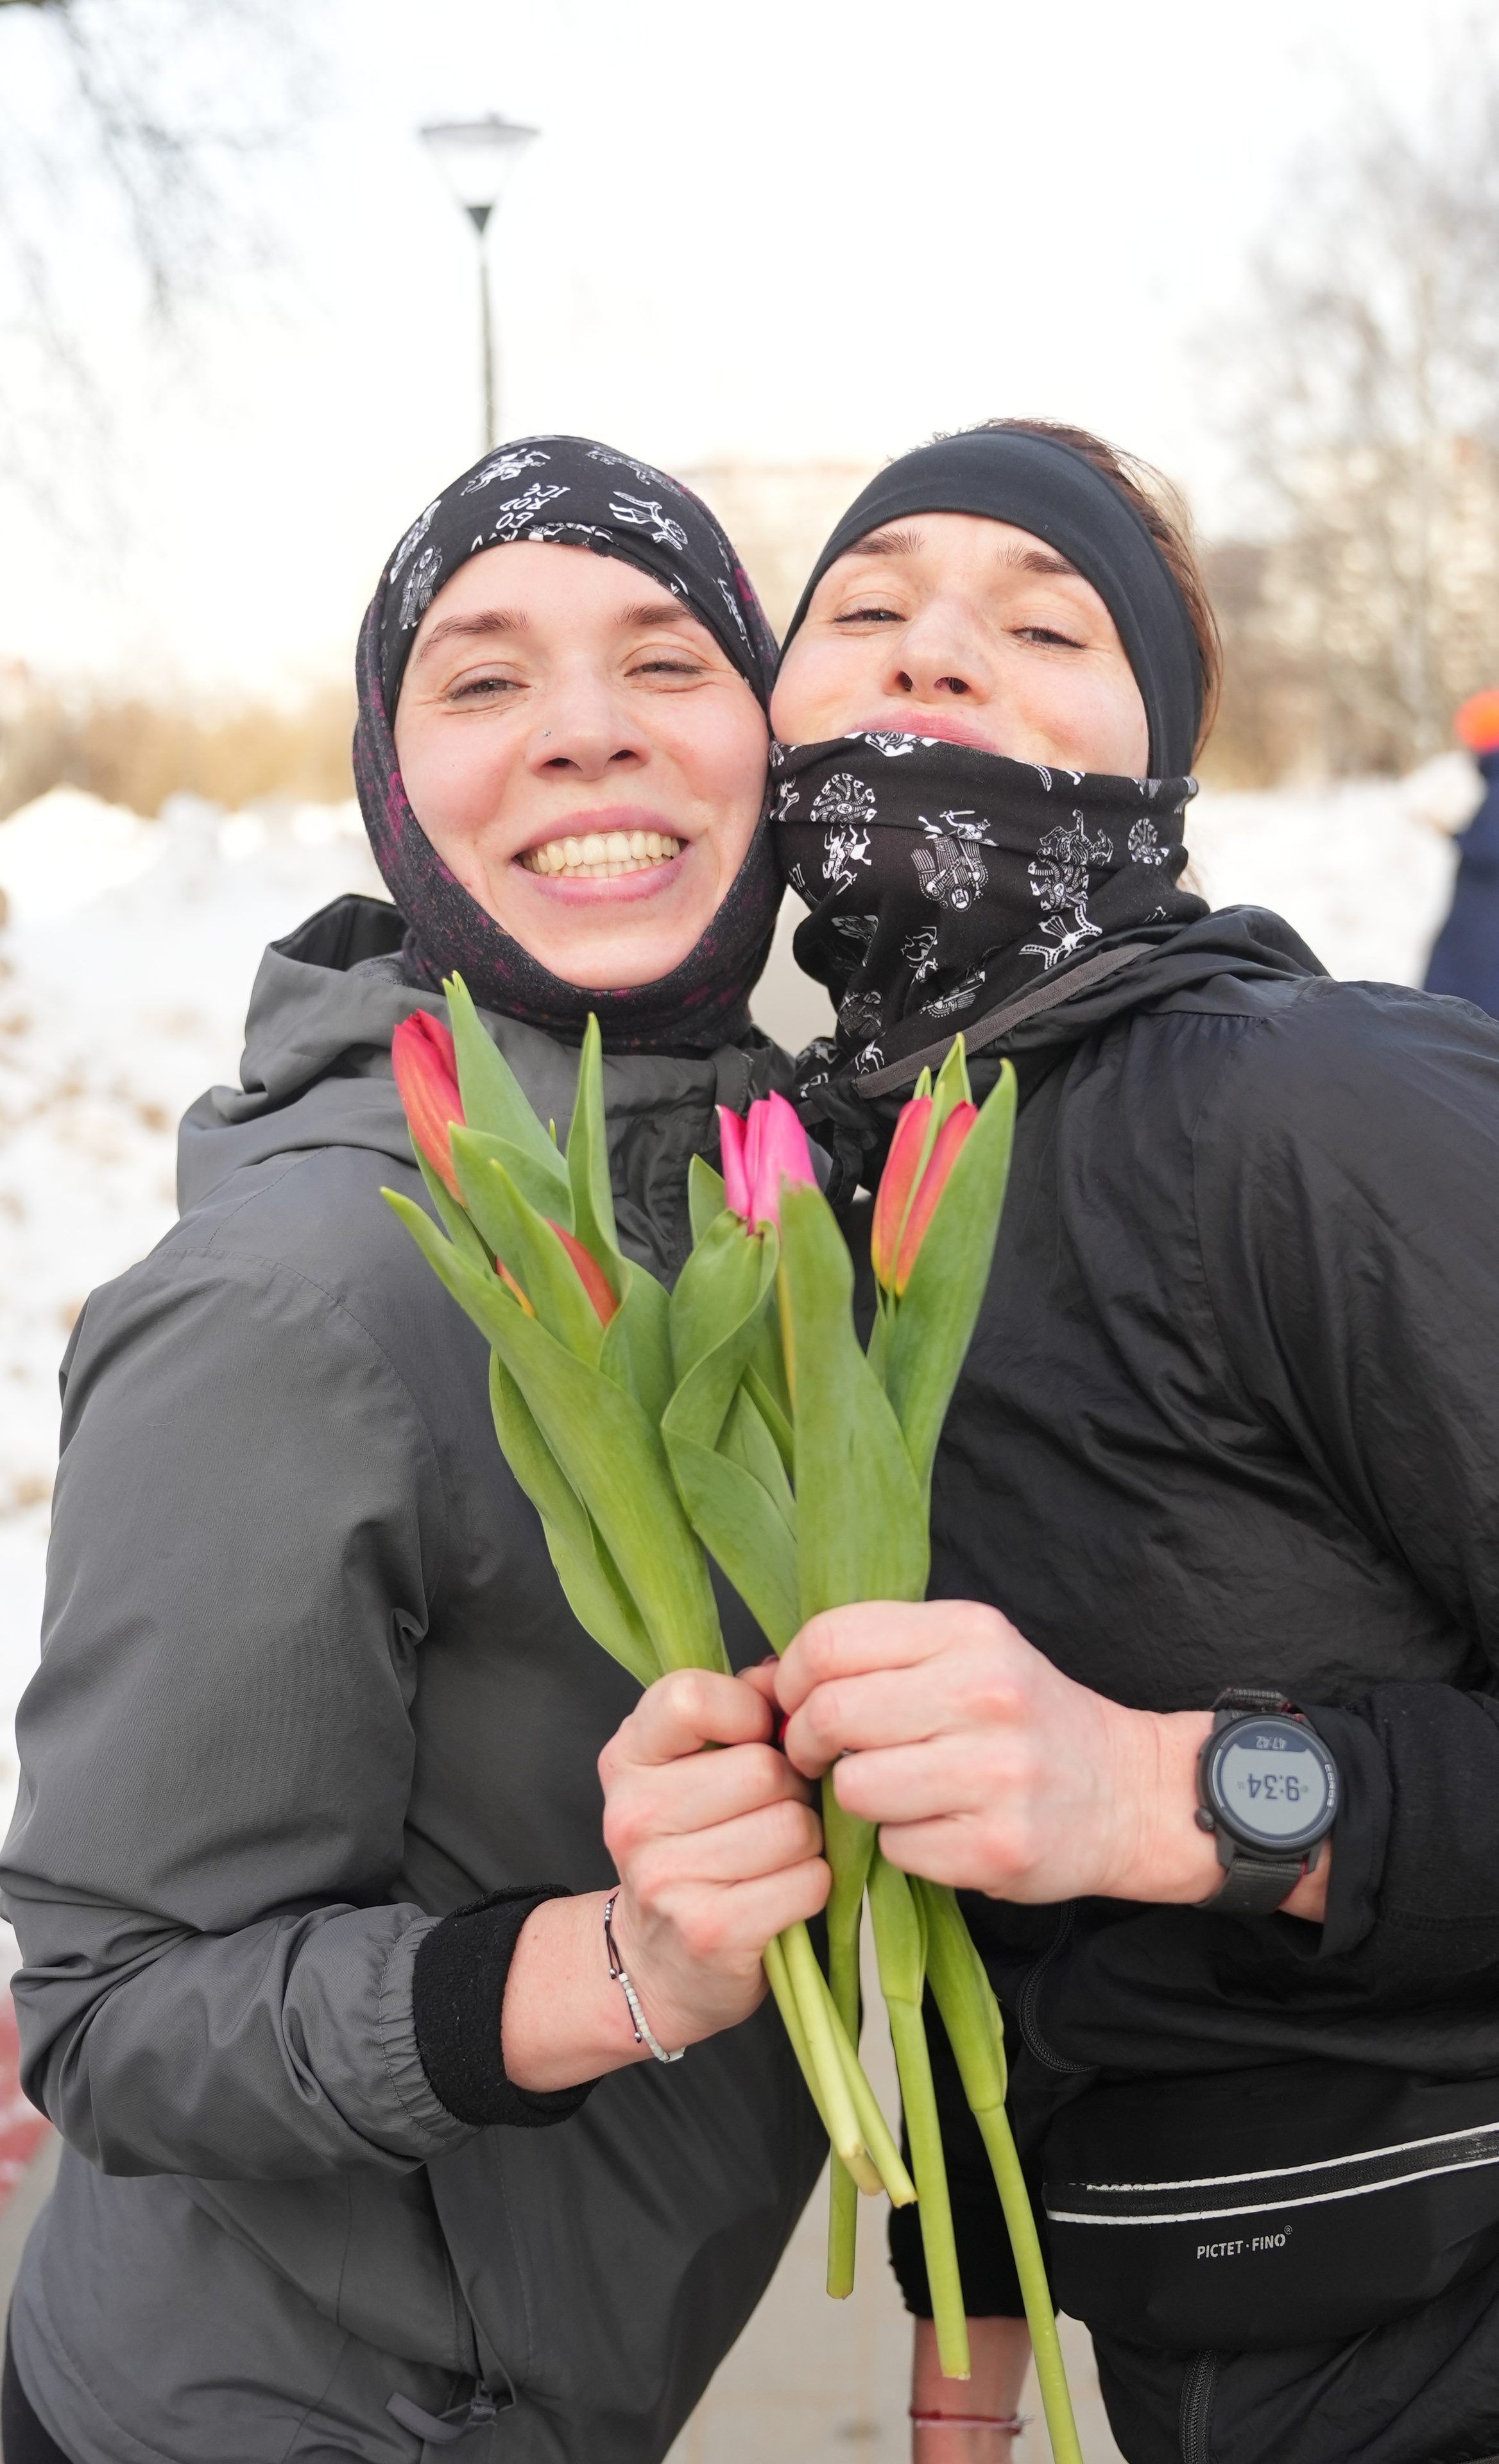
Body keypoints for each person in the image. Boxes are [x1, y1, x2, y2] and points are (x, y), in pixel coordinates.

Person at [766, 421, 1499, 2464]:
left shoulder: (1324, 1115)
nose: (936, 651)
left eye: (1043, 621)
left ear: (1151, 766)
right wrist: (967, 2282)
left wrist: (1172, 1792)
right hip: (1210, 2378)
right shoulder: (823, 1209)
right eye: (866, 604)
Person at [0, 437, 830, 2463]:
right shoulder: (300, 1295)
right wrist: (609, 1967)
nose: (581, 731)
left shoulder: (761, 1211)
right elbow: (110, 2014)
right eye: (481, 677)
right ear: (392, 778)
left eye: (665, 656)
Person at [1424, 685, 1499, 1019]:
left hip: (1486, 913)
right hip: (1491, 908)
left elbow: (1491, 850)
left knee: (1466, 1000)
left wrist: (1454, 833)